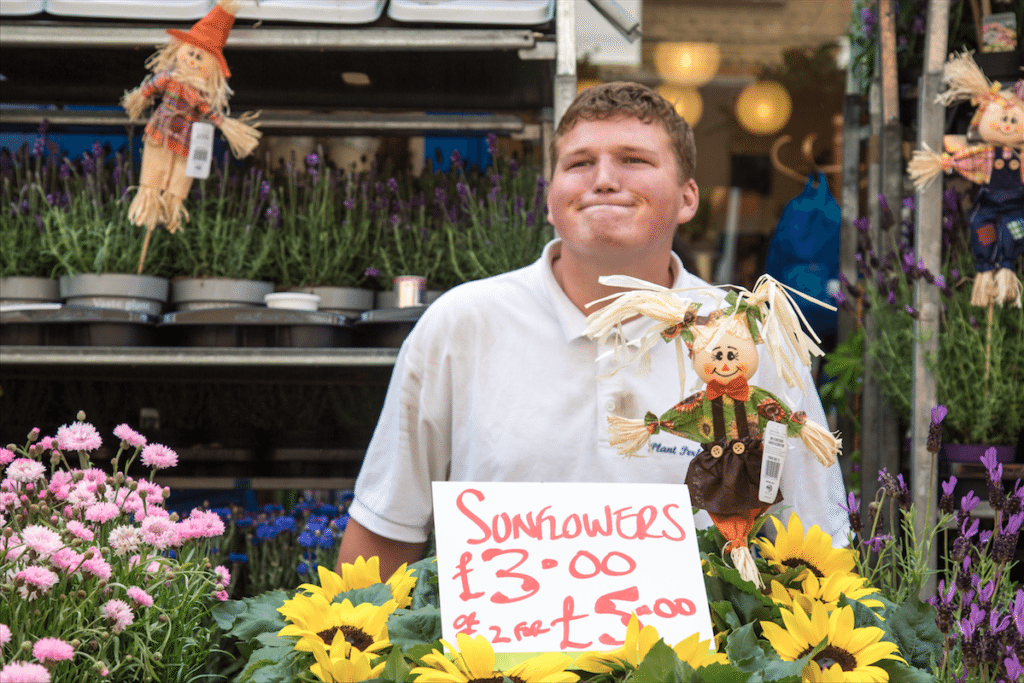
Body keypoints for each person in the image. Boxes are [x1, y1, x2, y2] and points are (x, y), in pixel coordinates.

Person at [337, 82, 849, 577]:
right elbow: (386, 530)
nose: (603, 179)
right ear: (549, 199)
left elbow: (816, 545)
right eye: (579, 163)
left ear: (688, 198)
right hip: (494, 665)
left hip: (695, 667)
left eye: (634, 160)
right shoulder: (462, 323)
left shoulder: (753, 337)